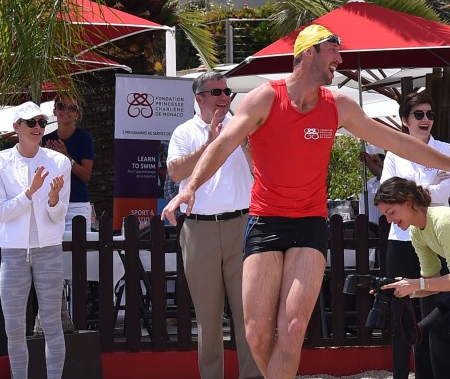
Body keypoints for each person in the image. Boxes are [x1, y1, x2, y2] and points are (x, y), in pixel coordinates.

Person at [162, 24, 450, 379]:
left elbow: (398, 142)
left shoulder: (338, 105)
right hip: (266, 221)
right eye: (333, 52)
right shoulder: (265, 97)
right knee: (256, 332)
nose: (340, 60)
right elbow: (222, 144)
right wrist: (190, 188)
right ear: (309, 52)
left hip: (310, 224)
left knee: (294, 325)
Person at [166, 71, 261, 379]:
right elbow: (176, 173)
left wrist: (243, 141)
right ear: (199, 99)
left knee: (249, 314)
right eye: (216, 91)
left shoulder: (244, 127)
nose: (224, 96)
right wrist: (209, 142)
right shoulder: (184, 131)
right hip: (199, 230)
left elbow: (261, 172)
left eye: (226, 90)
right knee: (208, 319)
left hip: (241, 226)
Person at [0, 101, 70, 379]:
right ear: (16, 127)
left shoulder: (58, 161)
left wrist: (54, 198)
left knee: (52, 323)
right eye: (31, 122)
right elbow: (1, 212)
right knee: (13, 326)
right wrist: (30, 192)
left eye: (42, 122)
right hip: (13, 252)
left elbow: (58, 216)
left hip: (48, 249)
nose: (37, 128)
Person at [379, 92, 450, 379]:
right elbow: (388, 195)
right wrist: (432, 185)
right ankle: (399, 375)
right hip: (401, 240)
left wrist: (415, 191)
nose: (425, 120)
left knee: (434, 313)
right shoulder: (394, 153)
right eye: (418, 114)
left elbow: (442, 195)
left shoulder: (445, 149)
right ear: (404, 120)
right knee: (401, 315)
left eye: (430, 114)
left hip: (437, 238)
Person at [376, 177, 450, 379]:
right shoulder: (417, 232)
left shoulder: (443, 221)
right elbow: (433, 282)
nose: (389, 220)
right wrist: (398, 291)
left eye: (391, 212)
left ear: (408, 203)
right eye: (385, 215)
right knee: (422, 333)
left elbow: (429, 282)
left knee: (440, 333)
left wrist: (416, 284)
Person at [43, 93, 94, 231]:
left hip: (77, 204)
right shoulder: (45, 139)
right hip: (50, 203)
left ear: (77, 113)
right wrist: (49, 159)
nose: (66, 111)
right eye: (61, 106)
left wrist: (66, 157)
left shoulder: (84, 139)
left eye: (71, 108)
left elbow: (86, 176)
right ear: (55, 111)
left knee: (78, 250)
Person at [358, 144, 385, 225]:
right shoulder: (369, 184)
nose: (372, 165)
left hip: (384, 229)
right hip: (369, 230)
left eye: (376, 161)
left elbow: (383, 174)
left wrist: (368, 161)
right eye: (371, 162)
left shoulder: (389, 180)